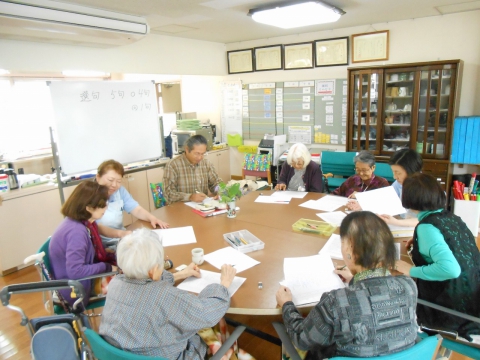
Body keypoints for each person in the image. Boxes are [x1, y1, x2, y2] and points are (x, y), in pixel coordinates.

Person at [276, 211, 418, 359]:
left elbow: (302, 339)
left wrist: (287, 304)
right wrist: (354, 280)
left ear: (350, 250)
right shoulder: (408, 285)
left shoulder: (335, 302)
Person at [99, 228, 237, 359]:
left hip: (117, 355)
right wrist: (224, 283)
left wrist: (180, 274)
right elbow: (207, 313)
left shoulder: (115, 283)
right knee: (211, 326)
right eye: (161, 263)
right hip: (167, 356)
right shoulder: (164, 297)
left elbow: (147, 279)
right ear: (153, 271)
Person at [395, 173, 480, 340]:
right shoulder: (452, 217)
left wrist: (411, 270)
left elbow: (451, 269)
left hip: (452, 310)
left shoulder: (427, 227)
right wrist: (421, 241)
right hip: (472, 299)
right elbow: (455, 245)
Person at [49, 181, 118, 307]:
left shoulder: (79, 223)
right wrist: (106, 267)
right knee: (130, 283)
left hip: (78, 283)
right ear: (89, 208)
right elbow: (76, 271)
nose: (106, 208)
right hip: (76, 291)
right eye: (102, 205)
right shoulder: (77, 233)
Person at [95, 159, 169, 247]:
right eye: (110, 180)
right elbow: (95, 226)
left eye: (118, 181)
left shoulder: (120, 191)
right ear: (98, 177)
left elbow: (136, 209)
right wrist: (120, 234)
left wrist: (152, 218)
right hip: (100, 245)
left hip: (120, 239)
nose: (114, 185)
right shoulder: (88, 194)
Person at [163, 135, 222, 204]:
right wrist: (190, 197)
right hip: (180, 209)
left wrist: (220, 191)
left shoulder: (206, 163)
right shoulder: (173, 165)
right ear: (187, 150)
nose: (200, 157)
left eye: (203, 154)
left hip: (202, 207)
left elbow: (215, 183)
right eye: (197, 153)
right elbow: (168, 194)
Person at [379, 148, 423, 227]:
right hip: (402, 225)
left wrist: (397, 222)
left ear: (411, 171)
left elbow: (426, 220)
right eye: (393, 172)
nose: (395, 177)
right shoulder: (398, 183)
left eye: (398, 173)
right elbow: (386, 200)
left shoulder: (426, 188)